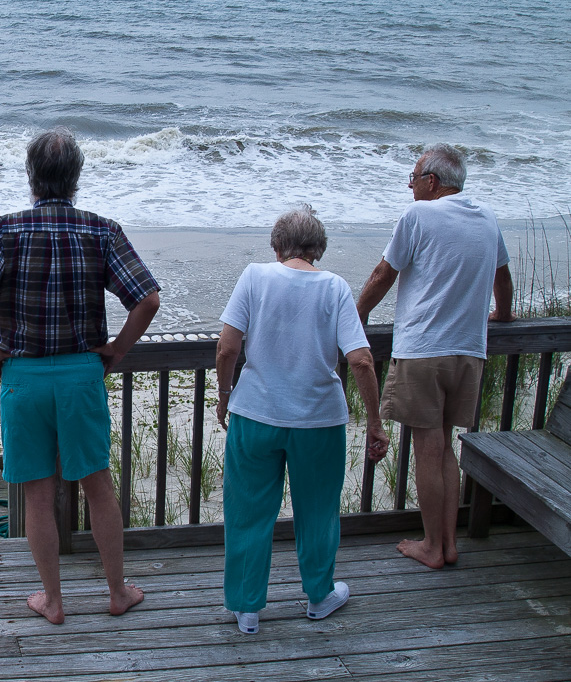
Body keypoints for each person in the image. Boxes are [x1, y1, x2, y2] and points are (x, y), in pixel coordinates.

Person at [0, 128, 160, 625]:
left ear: (32, 176)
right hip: (80, 377)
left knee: (38, 495)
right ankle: (116, 592)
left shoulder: (6, 229)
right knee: (98, 488)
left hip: (23, 377)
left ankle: (53, 601)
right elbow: (148, 299)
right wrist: (117, 350)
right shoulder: (102, 230)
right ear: (76, 178)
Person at [215, 205, 389, 635]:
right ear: (320, 249)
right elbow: (362, 361)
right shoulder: (334, 288)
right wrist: (374, 421)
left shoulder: (255, 276)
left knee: (249, 512)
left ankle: (248, 607)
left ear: (277, 246)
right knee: (318, 511)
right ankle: (319, 595)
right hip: (319, 420)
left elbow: (226, 348)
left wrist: (224, 395)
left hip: (255, 414)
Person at [357, 144, 514, 570]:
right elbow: (502, 275)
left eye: (412, 179)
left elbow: (382, 274)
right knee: (445, 447)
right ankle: (447, 545)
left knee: (428, 447)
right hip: (469, 351)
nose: (409, 188)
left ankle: (432, 546)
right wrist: (503, 314)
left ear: (431, 182)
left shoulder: (419, 215)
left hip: (425, 348)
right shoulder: (486, 217)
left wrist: (355, 318)